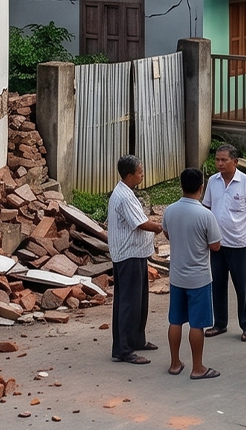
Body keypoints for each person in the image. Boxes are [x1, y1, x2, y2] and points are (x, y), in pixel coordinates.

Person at [163, 167, 225, 380]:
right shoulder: (205, 215)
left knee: (176, 321)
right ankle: (198, 367)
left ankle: (174, 363)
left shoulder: (170, 210)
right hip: (198, 277)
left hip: (177, 275)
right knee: (197, 324)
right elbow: (216, 245)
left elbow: (167, 232)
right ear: (202, 187)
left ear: (181, 185)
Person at [107, 155, 162, 364]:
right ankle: (124, 349)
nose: (142, 175)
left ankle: (137, 339)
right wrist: (160, 227)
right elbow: (140, 223)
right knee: (129, 303)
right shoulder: (124, 197)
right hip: (127, 254)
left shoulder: (125, 192)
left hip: (135, 253)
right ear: (129, 175)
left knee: (139, 301)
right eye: (140, 172)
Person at [204, 143, 246, 341]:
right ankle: (219, 324)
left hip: (238, 243)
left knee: (242, 285)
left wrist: (243, 231)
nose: (219, 163)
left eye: (224, 160)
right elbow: (207, 208)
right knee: (218, 284)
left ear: (235, 162)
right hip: (217, 244)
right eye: (217, 160)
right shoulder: (213, 181)